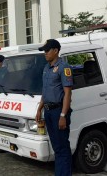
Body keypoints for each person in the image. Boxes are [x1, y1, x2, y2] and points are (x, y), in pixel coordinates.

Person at [36, 39, 73, 176]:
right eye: (44, 51)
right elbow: (45, 91)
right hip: (48, 111)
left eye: (47, 50)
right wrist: (39, 109)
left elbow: (68, 93)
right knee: (56, 147)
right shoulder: (46, 68)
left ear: (56, 50)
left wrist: (63, 115)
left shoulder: (64, 67)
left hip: (58, 111)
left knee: (62, 147)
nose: (45, 53)